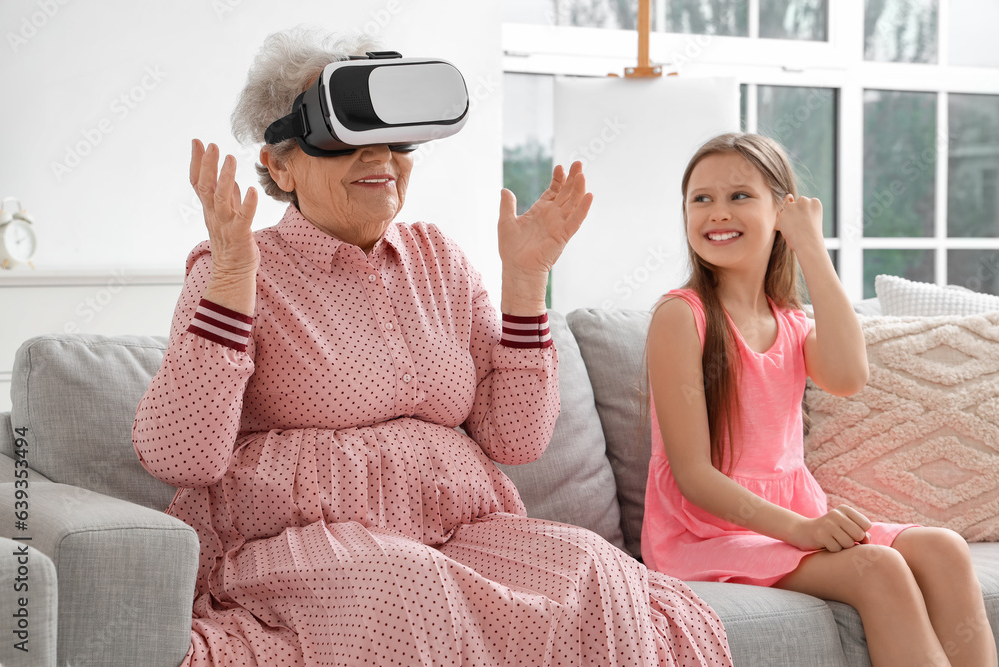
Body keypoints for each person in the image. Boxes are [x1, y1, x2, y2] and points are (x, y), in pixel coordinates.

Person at [133, 29, 732, 667]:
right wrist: (229, 286)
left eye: (396, 140)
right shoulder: (235, 268)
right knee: (407, 590)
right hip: (301, 544)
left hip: (457, 533)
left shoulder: (438, 259)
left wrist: (526, 285)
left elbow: (515, 442)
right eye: (347, 140)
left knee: (594, 570)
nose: (381, 158)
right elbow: (181, 457)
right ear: (281, 164)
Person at [641, 131, 996, 666]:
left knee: (944, 547)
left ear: (782, 211)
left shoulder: (789, 322)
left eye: (739, 196)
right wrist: (804, 529)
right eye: (701, 198)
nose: (717, 212)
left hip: (792, 519)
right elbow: (693, 476)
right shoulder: (680, 316)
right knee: (878, 567)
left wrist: (810, 247)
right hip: (703, 534)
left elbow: (851, 375)